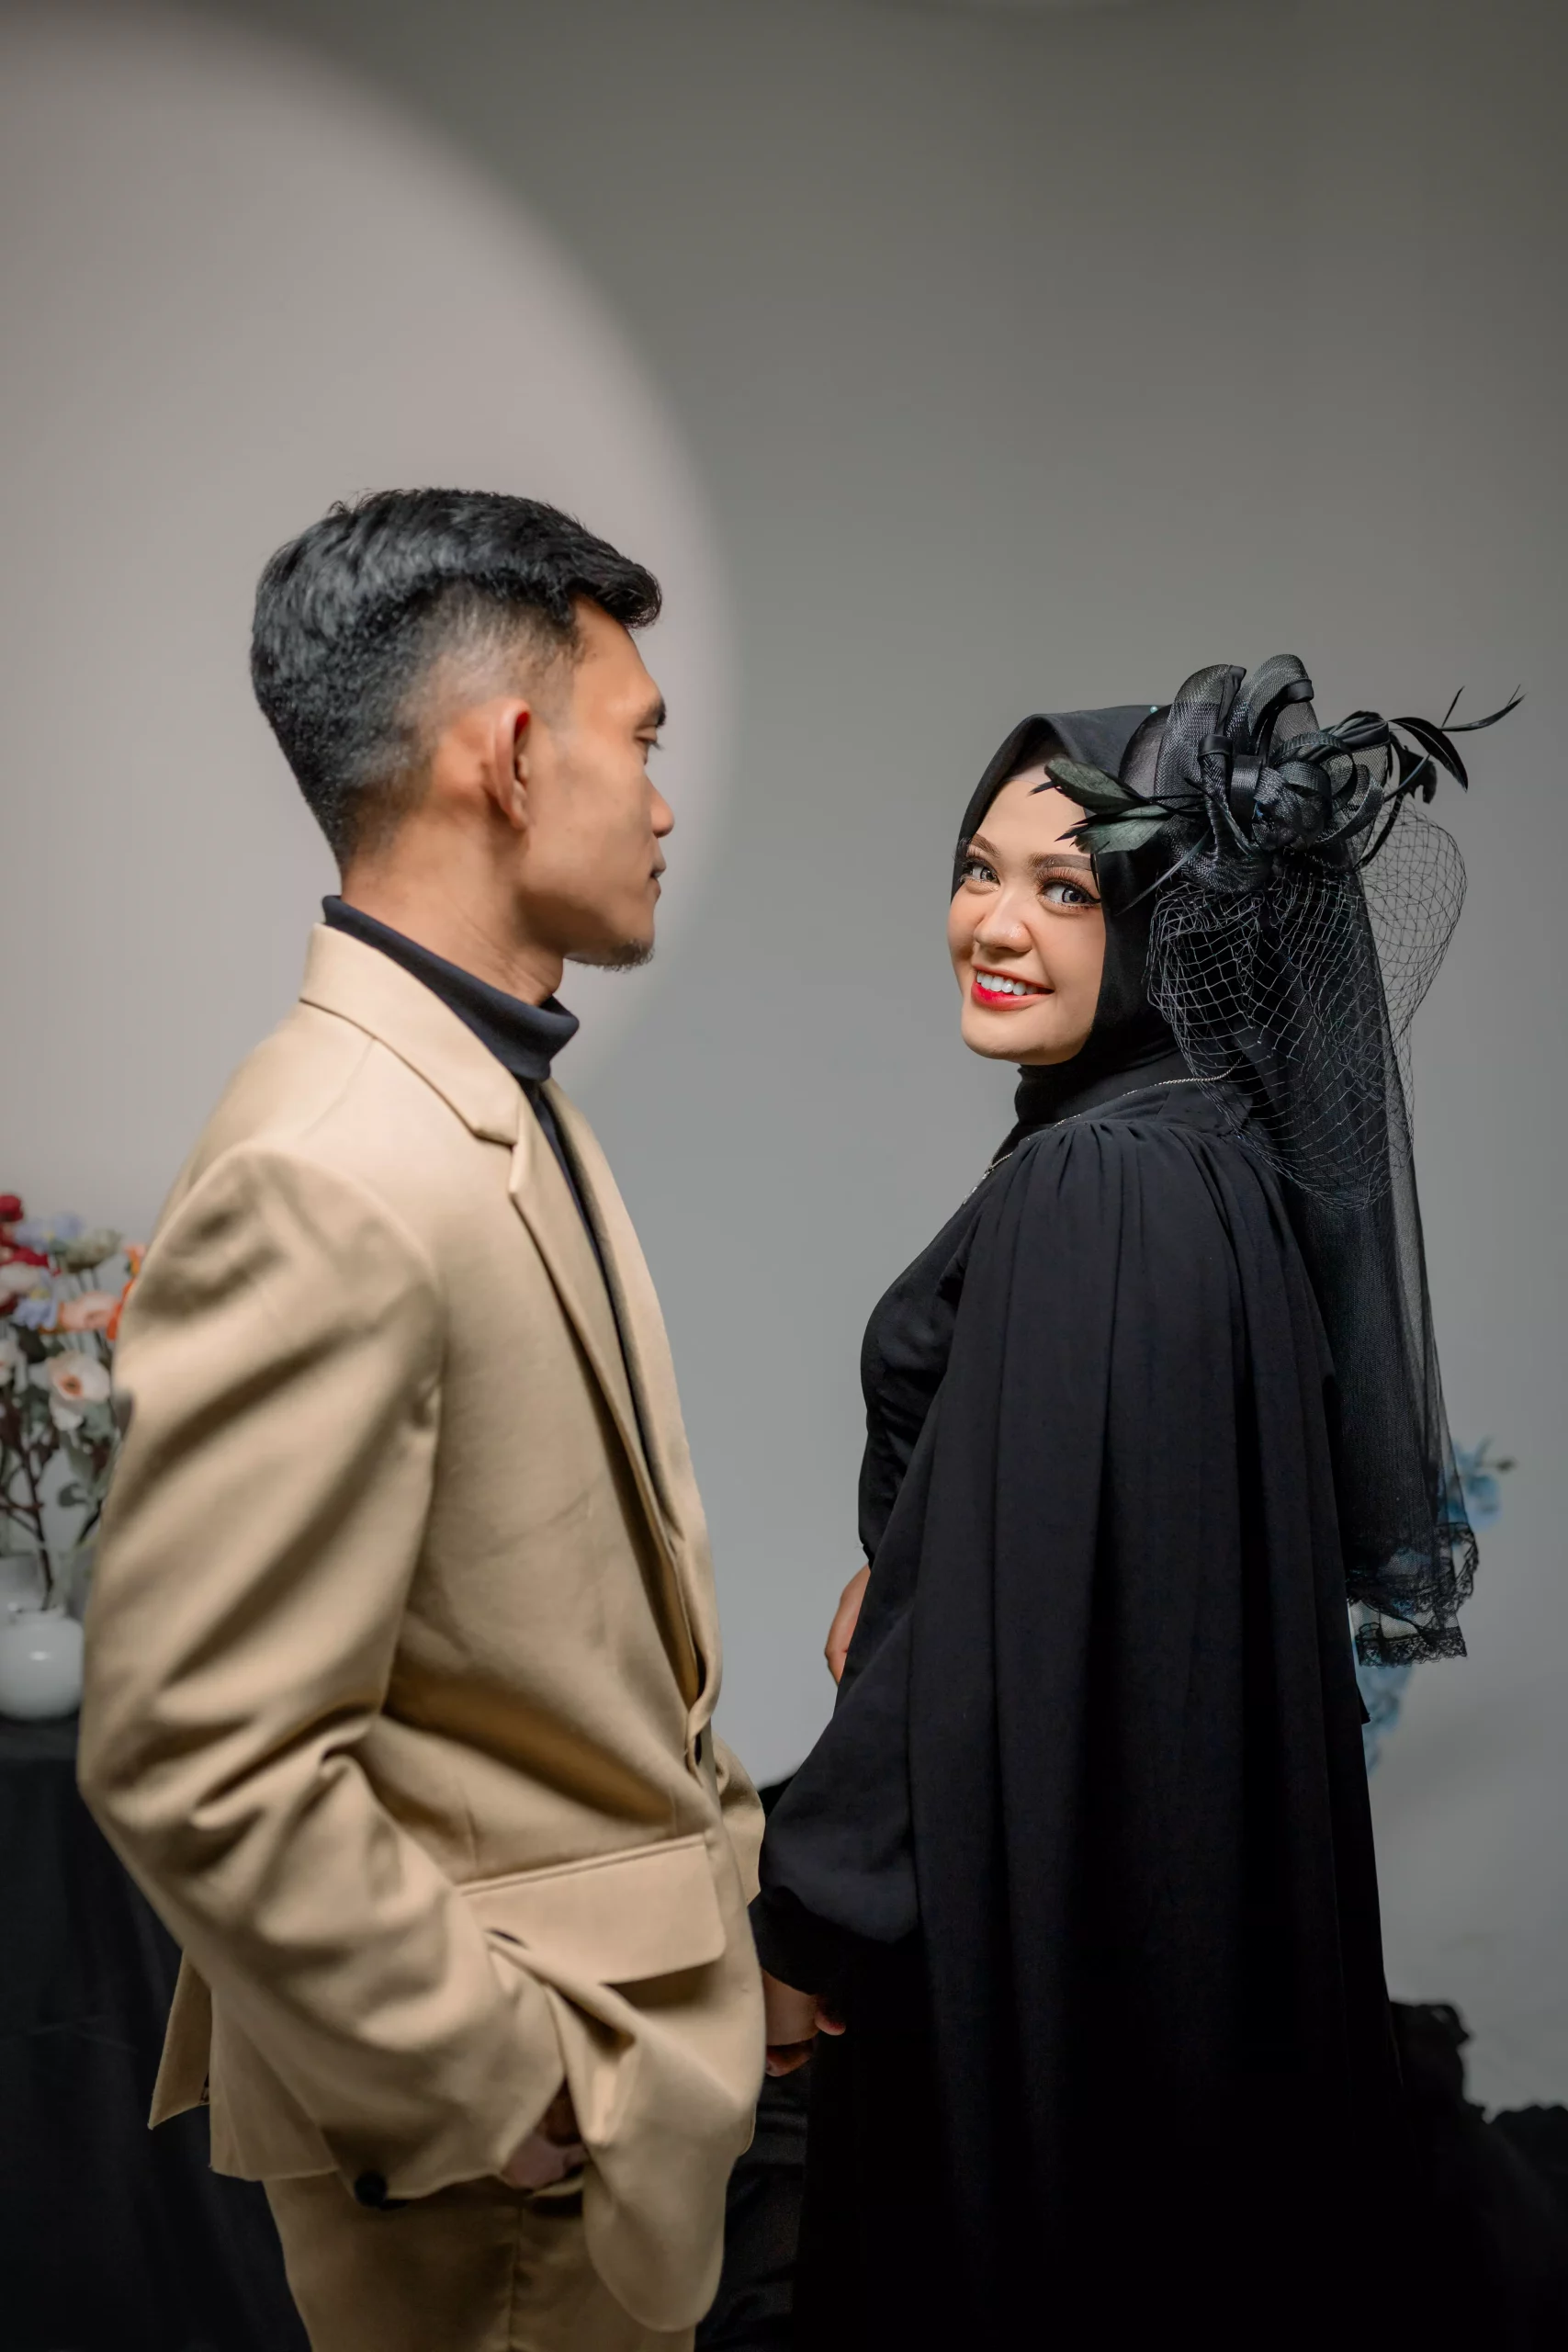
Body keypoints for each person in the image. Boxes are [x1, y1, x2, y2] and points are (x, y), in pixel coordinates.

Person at [77, 490, 765, 2352]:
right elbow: (194, 1750)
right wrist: (504, 2088)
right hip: (502, 2186)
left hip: (599, 2105)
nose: (663, 802)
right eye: (641, 741)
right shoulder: (333, 1162)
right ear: (511, 757)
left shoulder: (478, 1087)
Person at [751, 660, 1512, 2344]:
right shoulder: (1202, 1156)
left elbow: (989, 1633)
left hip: (1017, 1947)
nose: (991, 924)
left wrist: (807, 1913)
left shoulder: (1098, 1179)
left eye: (1066, 889)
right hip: (1149, 1941)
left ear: (1176, 928)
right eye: (977, 869)